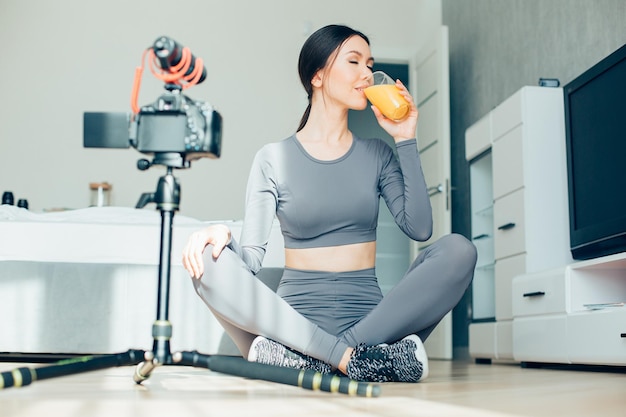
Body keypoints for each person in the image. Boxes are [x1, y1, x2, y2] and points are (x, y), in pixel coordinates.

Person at [182, 24, 477, 383]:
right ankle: (361, 361)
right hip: (294, 325)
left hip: (370, 323)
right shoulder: (273, 158)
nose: (367, 74)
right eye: (354, 62)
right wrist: (220, 236)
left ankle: (315, 361)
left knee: (459, 250)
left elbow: (420, 228)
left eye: (369, 64)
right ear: (317, 76)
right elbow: (251, 260)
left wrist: (406, 139)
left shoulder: (377, 154)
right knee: (206, 266)